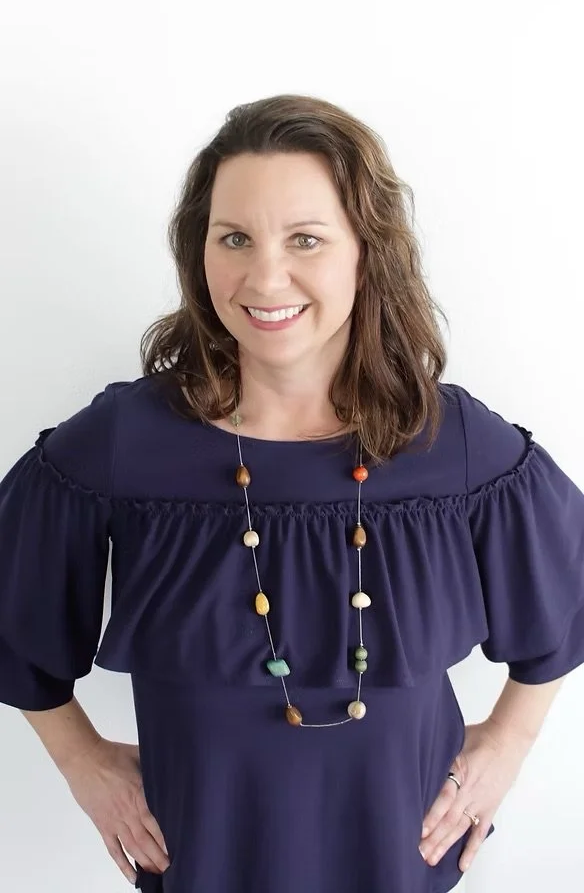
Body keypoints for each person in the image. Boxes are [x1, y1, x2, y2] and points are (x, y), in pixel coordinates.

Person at [1, 94, 583, 893]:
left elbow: (568, 587)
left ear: (366, 252)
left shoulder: (451, 442)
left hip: (400, 858)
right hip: (204, 859)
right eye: (234, 238)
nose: (264, 276)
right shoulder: (124, 441)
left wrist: (509, 744)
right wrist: (81, 762)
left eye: (305, 238)